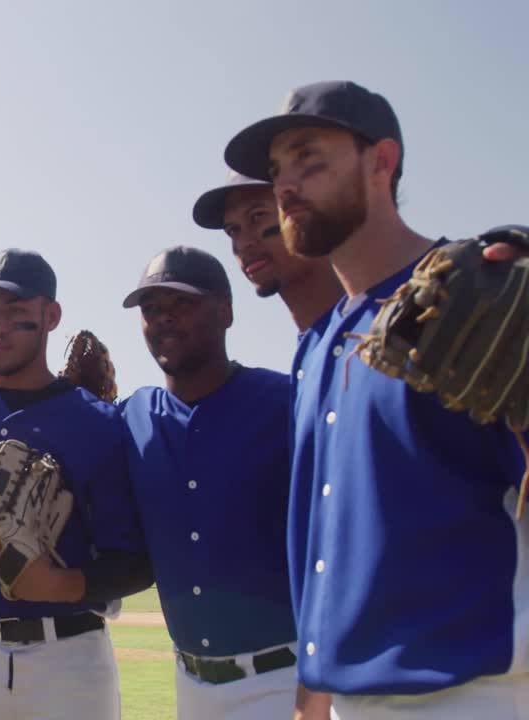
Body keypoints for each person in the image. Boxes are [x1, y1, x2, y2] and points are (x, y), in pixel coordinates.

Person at [224, 80, 529, 718]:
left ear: (381, 162)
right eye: (278, 170)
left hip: (476, 693)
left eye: (309, 159)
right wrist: (312, 698)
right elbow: (318, 546)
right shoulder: (317, 344)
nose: (285, 185)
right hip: (347, 701)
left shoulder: (472, 300)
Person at [0, 249, 152, 720]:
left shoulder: (97, 423)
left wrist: (60, 584)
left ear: (51, 316)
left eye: (16, 312)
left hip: (70, 657)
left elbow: (136, 562)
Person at [119, 246, 316, 719]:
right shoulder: (131, 418)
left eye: (180, 303)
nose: (163, 318)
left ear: (226, 311)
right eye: (150, 309)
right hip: (191, 686)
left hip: (283, 682)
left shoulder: (286, 402)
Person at [193, 171, 342, 333]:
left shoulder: (371, 319)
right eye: (233, 230)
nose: (243, 244)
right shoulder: (310, 351)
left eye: (258, 216)